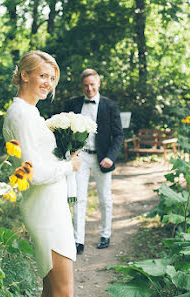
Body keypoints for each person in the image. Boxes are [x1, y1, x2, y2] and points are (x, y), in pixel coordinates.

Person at [3, 50, 82, 297]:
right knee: (63, 291)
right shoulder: (21, 114)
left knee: (52, 289)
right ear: (24, 76)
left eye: (52, 78)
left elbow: (40, 158)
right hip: (44, 209)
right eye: (43, 75)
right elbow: (32, 173)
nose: (48, 83)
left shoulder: (31, 112)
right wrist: (69, 166)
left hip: (51, 203)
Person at [64, 68, 123, 255]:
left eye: (92, 85)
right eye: (86, 85)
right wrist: (70, 153)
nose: (89, 89)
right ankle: (77, 240)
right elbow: (65, 130)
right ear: (82, 86)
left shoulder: (110, 105)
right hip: (81, 157)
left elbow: (119, 135)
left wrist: (110, 157)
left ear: (98, 84)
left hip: (102, 157)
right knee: (78, 199)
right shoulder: (73, 104)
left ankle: (105, 235)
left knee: (104, 198)